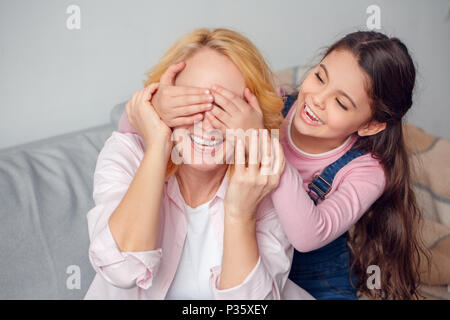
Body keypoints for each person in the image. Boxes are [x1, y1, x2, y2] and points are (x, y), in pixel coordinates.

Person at [84, 28, 312, 300]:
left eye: (225, 109)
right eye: (190, 103)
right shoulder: (126, 153)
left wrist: (241, 214)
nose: (206, 125)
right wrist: (158, 145)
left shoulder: (266, 181)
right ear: (164, 103)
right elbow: (122, 272)